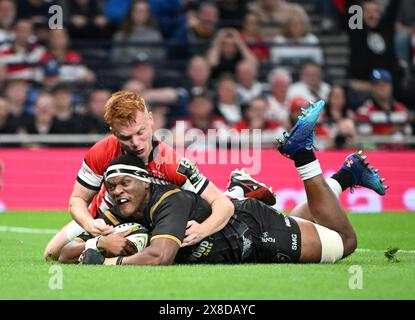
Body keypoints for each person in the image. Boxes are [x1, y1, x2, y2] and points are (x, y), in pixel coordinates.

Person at [60, 101, 387, 265]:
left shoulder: (171, 173)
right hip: (238, 222)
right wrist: (96, 240)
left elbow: (162, 254)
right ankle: (345, 176)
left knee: (345, 243)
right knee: (306, 220)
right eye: (111, 185)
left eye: (122, 184)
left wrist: (107, 260)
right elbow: (60, 251)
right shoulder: (115, 190)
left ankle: (302, 156)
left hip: (250, 230)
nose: (116, 191)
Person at [43, 90, 275, 261]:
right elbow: (77, 200)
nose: (135, 143)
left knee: (149, 250)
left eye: (141, 132)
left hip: (147, 221)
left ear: (151, 120)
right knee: (52, 254)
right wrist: (90, 224)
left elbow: (220, 205)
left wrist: (202, 231)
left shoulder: (172, 163)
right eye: (126, 137)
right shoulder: (101, 152)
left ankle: (237, 191)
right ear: (113, 132)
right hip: (104, 218)